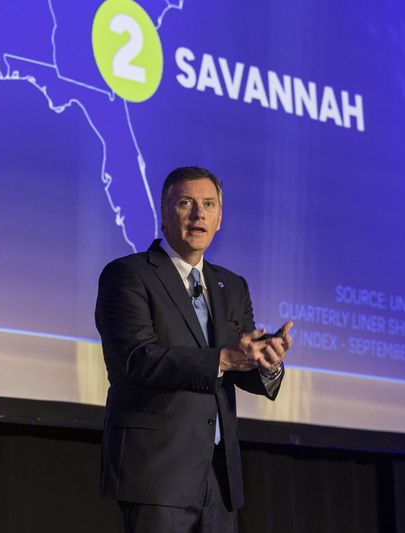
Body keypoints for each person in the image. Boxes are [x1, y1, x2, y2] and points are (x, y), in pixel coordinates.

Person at [95, 166, 293, 533]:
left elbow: (240, 364)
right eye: (186, 203)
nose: (199, 214)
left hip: (219, 475)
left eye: (209, 204)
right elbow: (138, 359)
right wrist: (224, 358)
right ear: (164, 212)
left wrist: (267, 363)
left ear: (219, 220)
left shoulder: (231, 286)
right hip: (157, 469)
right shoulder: (128, 275)